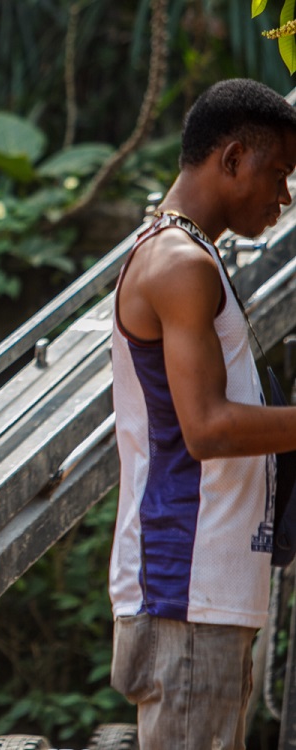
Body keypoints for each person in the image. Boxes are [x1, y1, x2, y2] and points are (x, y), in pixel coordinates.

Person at [109, 78, 296, 749]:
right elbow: (208, 428)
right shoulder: (177, 263)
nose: (283, 195)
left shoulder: (192, 256)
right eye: (277, 173)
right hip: (183, 583)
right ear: (232, 158)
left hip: (205, 587)